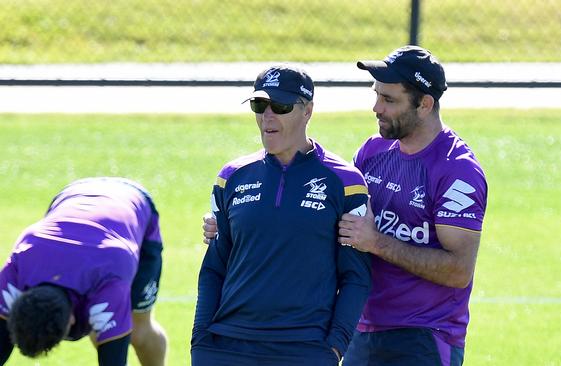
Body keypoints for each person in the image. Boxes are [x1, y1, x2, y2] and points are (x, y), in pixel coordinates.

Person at [203, 47, 488, 365]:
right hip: (361, 330)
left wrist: (378, 242)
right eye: (376, 95)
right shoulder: (372, 153)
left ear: (424, 104)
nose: (376, 107)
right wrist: (235, 219)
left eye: (389, 100)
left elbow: (459, 270)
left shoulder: (457, 170)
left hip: (423, 335)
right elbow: (329, 217)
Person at [191, 64, 372, 366]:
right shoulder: (230, 177)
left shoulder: (346, 183)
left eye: (281, 106)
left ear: (308, 111)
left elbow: (355, 276)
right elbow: (213, 268)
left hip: (303, 350)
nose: (268, 116)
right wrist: (200, 339)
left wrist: (334, 348)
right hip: (224, 347)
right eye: (260, 105)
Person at [0, 177, 167, 366]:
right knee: (104, 325)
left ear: (72, 319)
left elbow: (113, 360)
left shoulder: (110, 283)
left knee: (137, 330)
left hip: (134, 205)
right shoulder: (17, 266)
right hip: (72, 198)